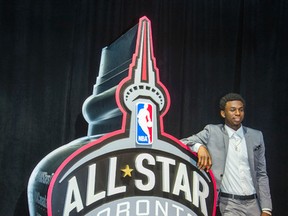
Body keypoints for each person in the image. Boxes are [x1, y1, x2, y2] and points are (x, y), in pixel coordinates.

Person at [181, 93, 272, 216]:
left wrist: (266, 209)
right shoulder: (213, 131)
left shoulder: (256, 136)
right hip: (229, 203)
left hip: (253, 203)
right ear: (223, 113)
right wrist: (200, 147)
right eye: (233, 110)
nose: (238, 113)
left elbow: (261, 174)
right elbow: (183, 142)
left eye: (241, 110)